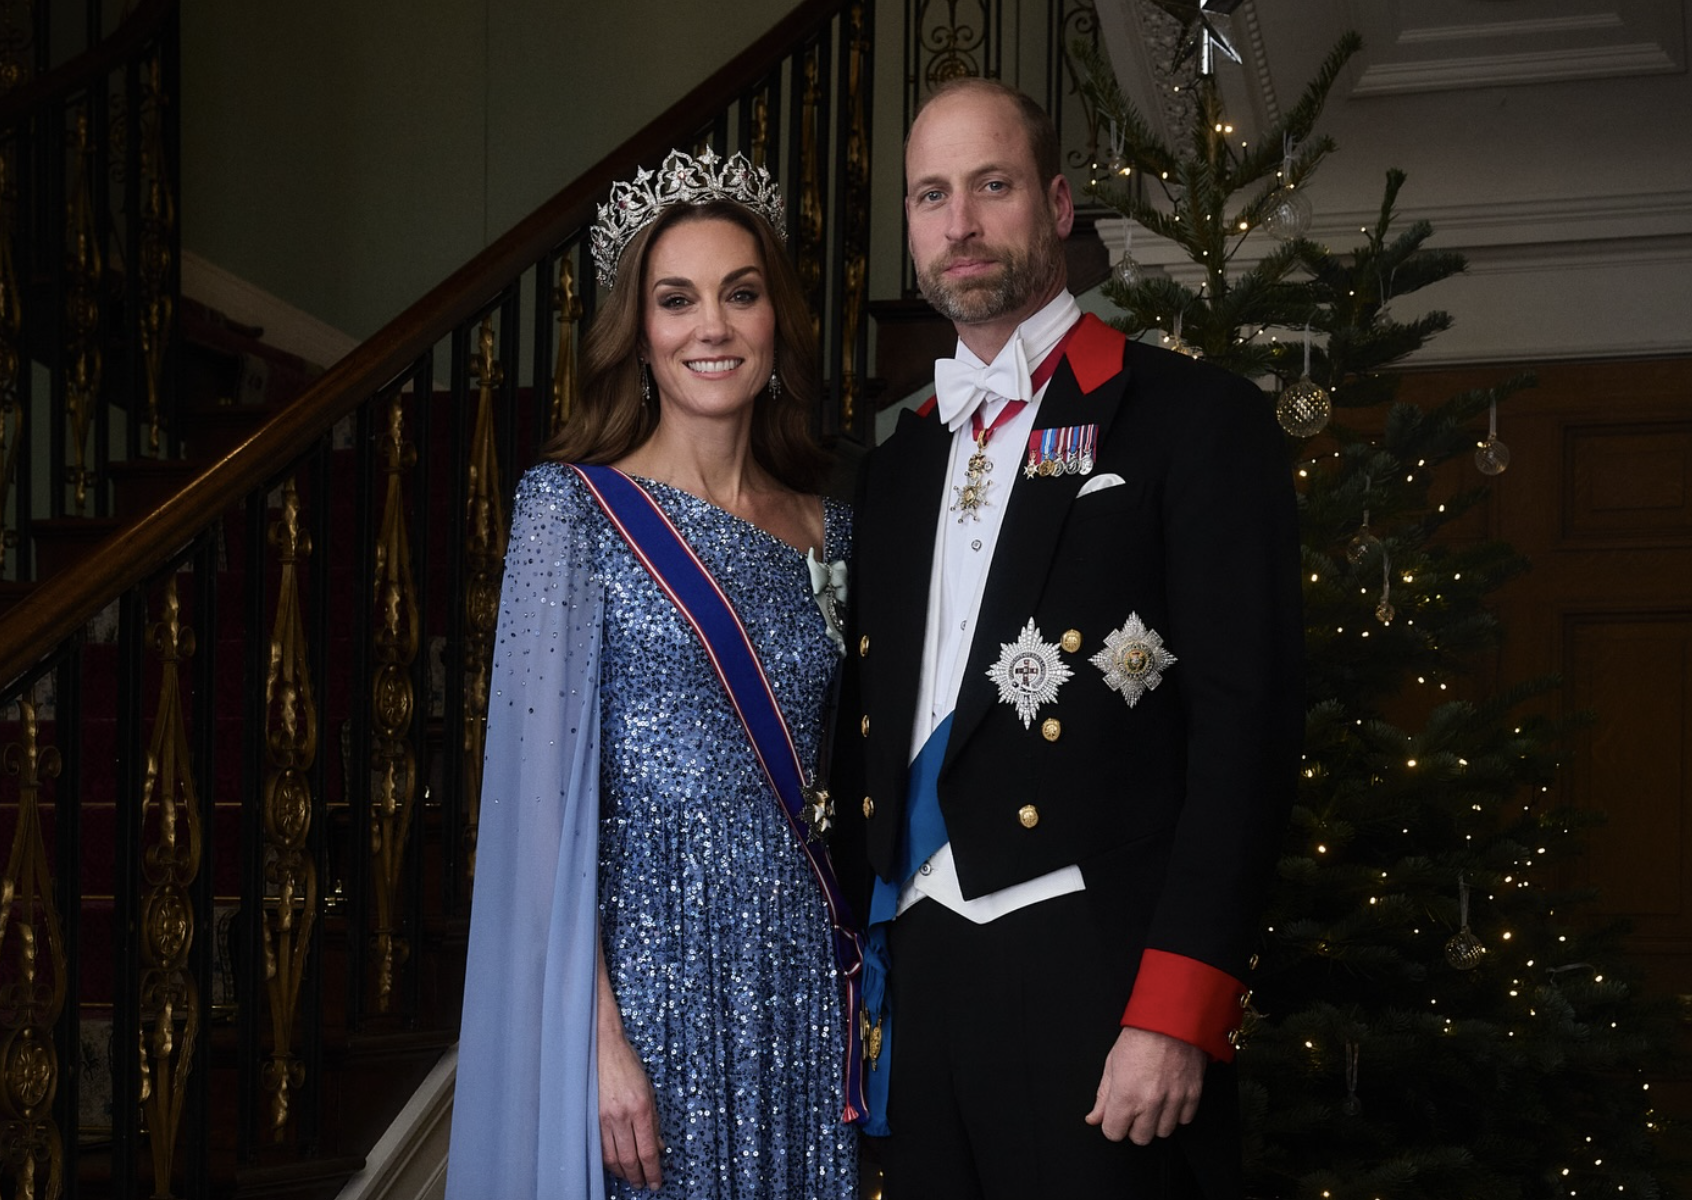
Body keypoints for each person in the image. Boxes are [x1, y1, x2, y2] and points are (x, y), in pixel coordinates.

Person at [833, 78, 1304, 1198]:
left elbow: (1247, 731)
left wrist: (1177, 1009)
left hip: (1098, 977)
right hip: (924, 973)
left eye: (991, 186)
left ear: (1055, 203)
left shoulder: (1192, 422)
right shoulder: (894, 471)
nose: (960, 223)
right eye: (931, 195)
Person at [445, 149, 861, 1200]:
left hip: (800, 982)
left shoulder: (840, 530)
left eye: (741, 293)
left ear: (777, 322)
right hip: (646, 984)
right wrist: (594, 1045)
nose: (711, 327)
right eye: (677, 300)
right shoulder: (571, 513)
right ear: (639, 333)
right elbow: (538, 818)